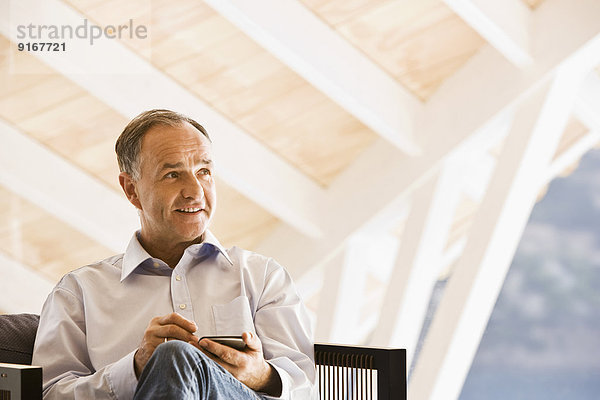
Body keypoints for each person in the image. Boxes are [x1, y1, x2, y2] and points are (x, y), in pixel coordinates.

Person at [32, 109, 317, 399]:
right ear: (132, 189)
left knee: (175, 357)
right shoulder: (78, 292)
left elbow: (306, 385)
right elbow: (49, 394)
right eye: (172, 174)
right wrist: (137, 367)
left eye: (204, 172)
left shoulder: (263, 276)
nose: (195, 191)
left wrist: (260, 375)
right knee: (174, 357)